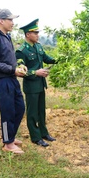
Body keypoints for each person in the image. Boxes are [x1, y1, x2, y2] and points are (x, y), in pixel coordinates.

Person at [0, 9, 27, 154]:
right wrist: (12, 70)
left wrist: (17, 68)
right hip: (2, 80)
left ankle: (10, 136)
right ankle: (8, 143)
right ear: (1, 21)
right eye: (10, 20)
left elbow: (7, 59)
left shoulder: (6, 37)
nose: (13, 23)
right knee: (7, 111)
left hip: (11, 78)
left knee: (20, 107)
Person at [16, 19, 57, 147]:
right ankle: (35, 137)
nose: (38, 35)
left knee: (41, 111)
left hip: (40, 85)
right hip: (31, 86)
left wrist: (59, 59)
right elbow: (21, 71)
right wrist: (35, 72)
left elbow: (46, 58)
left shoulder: (38, 46)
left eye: (38, 32)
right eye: (35, 33)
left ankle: (44, 133)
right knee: (32, 113)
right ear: (28, 34)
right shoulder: (21, 51)